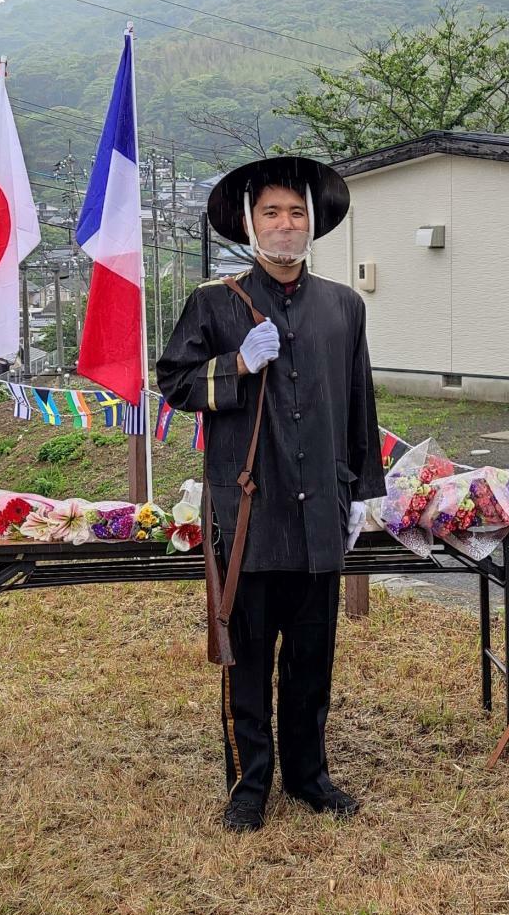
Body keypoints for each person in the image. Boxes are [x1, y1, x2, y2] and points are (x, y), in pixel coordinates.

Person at [156, 155, 385, 834]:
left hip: (320, 512)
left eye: (295, 213)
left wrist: (361, 495)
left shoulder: (344, 307)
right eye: (271, 212)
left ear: (311, 223)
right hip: (248, 514)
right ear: (250, 222)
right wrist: (234, 365)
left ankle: (310, 776)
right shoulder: (215, 303)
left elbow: (358, 408)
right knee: (249, 658)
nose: (284, 225)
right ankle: (249, 784)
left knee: (312, 660)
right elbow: (173, 383)